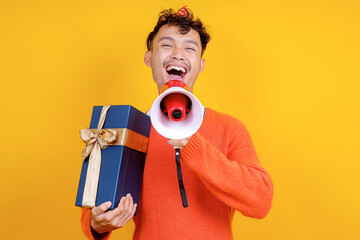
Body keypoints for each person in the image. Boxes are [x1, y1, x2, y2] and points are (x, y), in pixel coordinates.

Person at [81, 5, 273, 240]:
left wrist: (197, 149)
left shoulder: (229, 128)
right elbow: (94, 209)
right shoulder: (126, 129)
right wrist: (97, 224)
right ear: (149, 58)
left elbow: (260, 201)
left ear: (200, 65)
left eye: (190, 48)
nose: (178, 54)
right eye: (166, 45)